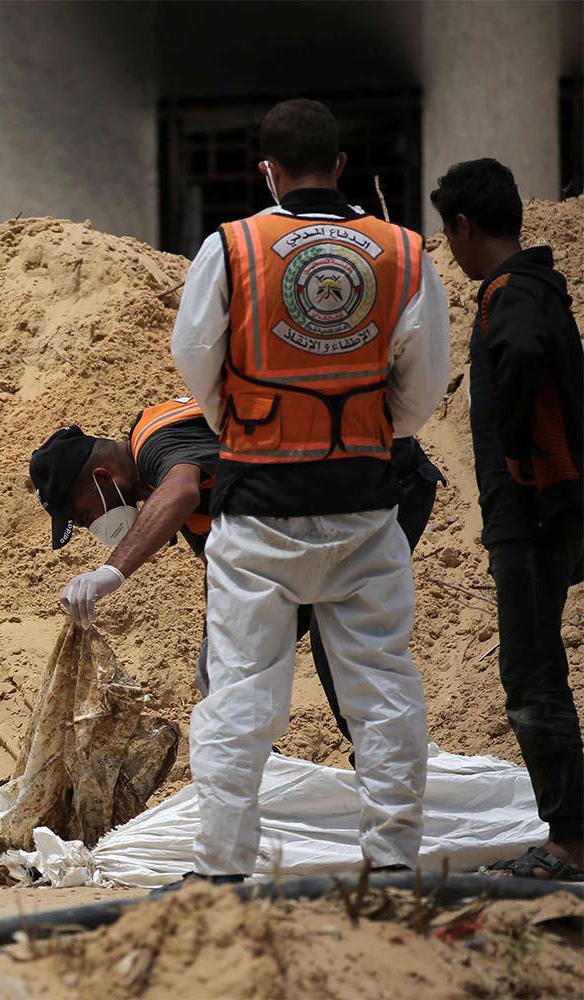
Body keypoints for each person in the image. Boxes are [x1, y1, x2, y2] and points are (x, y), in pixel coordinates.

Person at [168, 98, 450, 883]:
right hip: (365, 498)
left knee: (240, 693)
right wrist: (367, 427)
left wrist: (247, 422)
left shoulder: (232, 248)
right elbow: (424, 385)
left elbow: (196, 356)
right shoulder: (401, 251)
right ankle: (391, 862)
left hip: (259, 504)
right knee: (383, 687)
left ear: (267, 169)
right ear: (341, 165)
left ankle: (222, 867)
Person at [30, 400, 444, 754]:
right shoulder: (169, 485)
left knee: (336, 626)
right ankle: (269, 781)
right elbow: (225, 566)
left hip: (378, 478)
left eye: (87, 515)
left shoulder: (155, 442)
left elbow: (181, 492)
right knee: (228, 662)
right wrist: (217, 645)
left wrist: (112, 571)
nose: (94, 527)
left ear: (103, 477)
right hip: (320, 518)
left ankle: (393, 768)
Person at [431, 158, 584, 881]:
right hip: (550, 511)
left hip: (529, 517)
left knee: (531, 676)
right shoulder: (540, 287)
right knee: (538, 668)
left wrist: (520, 460)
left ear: (464, 225)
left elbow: (520, 355)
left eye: (448, 234)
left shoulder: (509, 292)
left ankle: (570, 843)